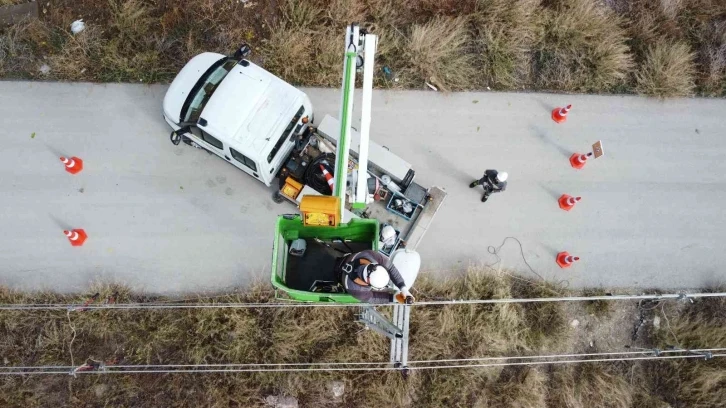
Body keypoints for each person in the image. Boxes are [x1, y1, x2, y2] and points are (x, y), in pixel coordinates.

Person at [336, 250, 414, 304]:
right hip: (337, 276)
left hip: (344, 259)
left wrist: (403, 288)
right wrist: (393, 298)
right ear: (369, 282)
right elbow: (373, 298)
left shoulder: (371, 255)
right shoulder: (357, 291)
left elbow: (391, 268)